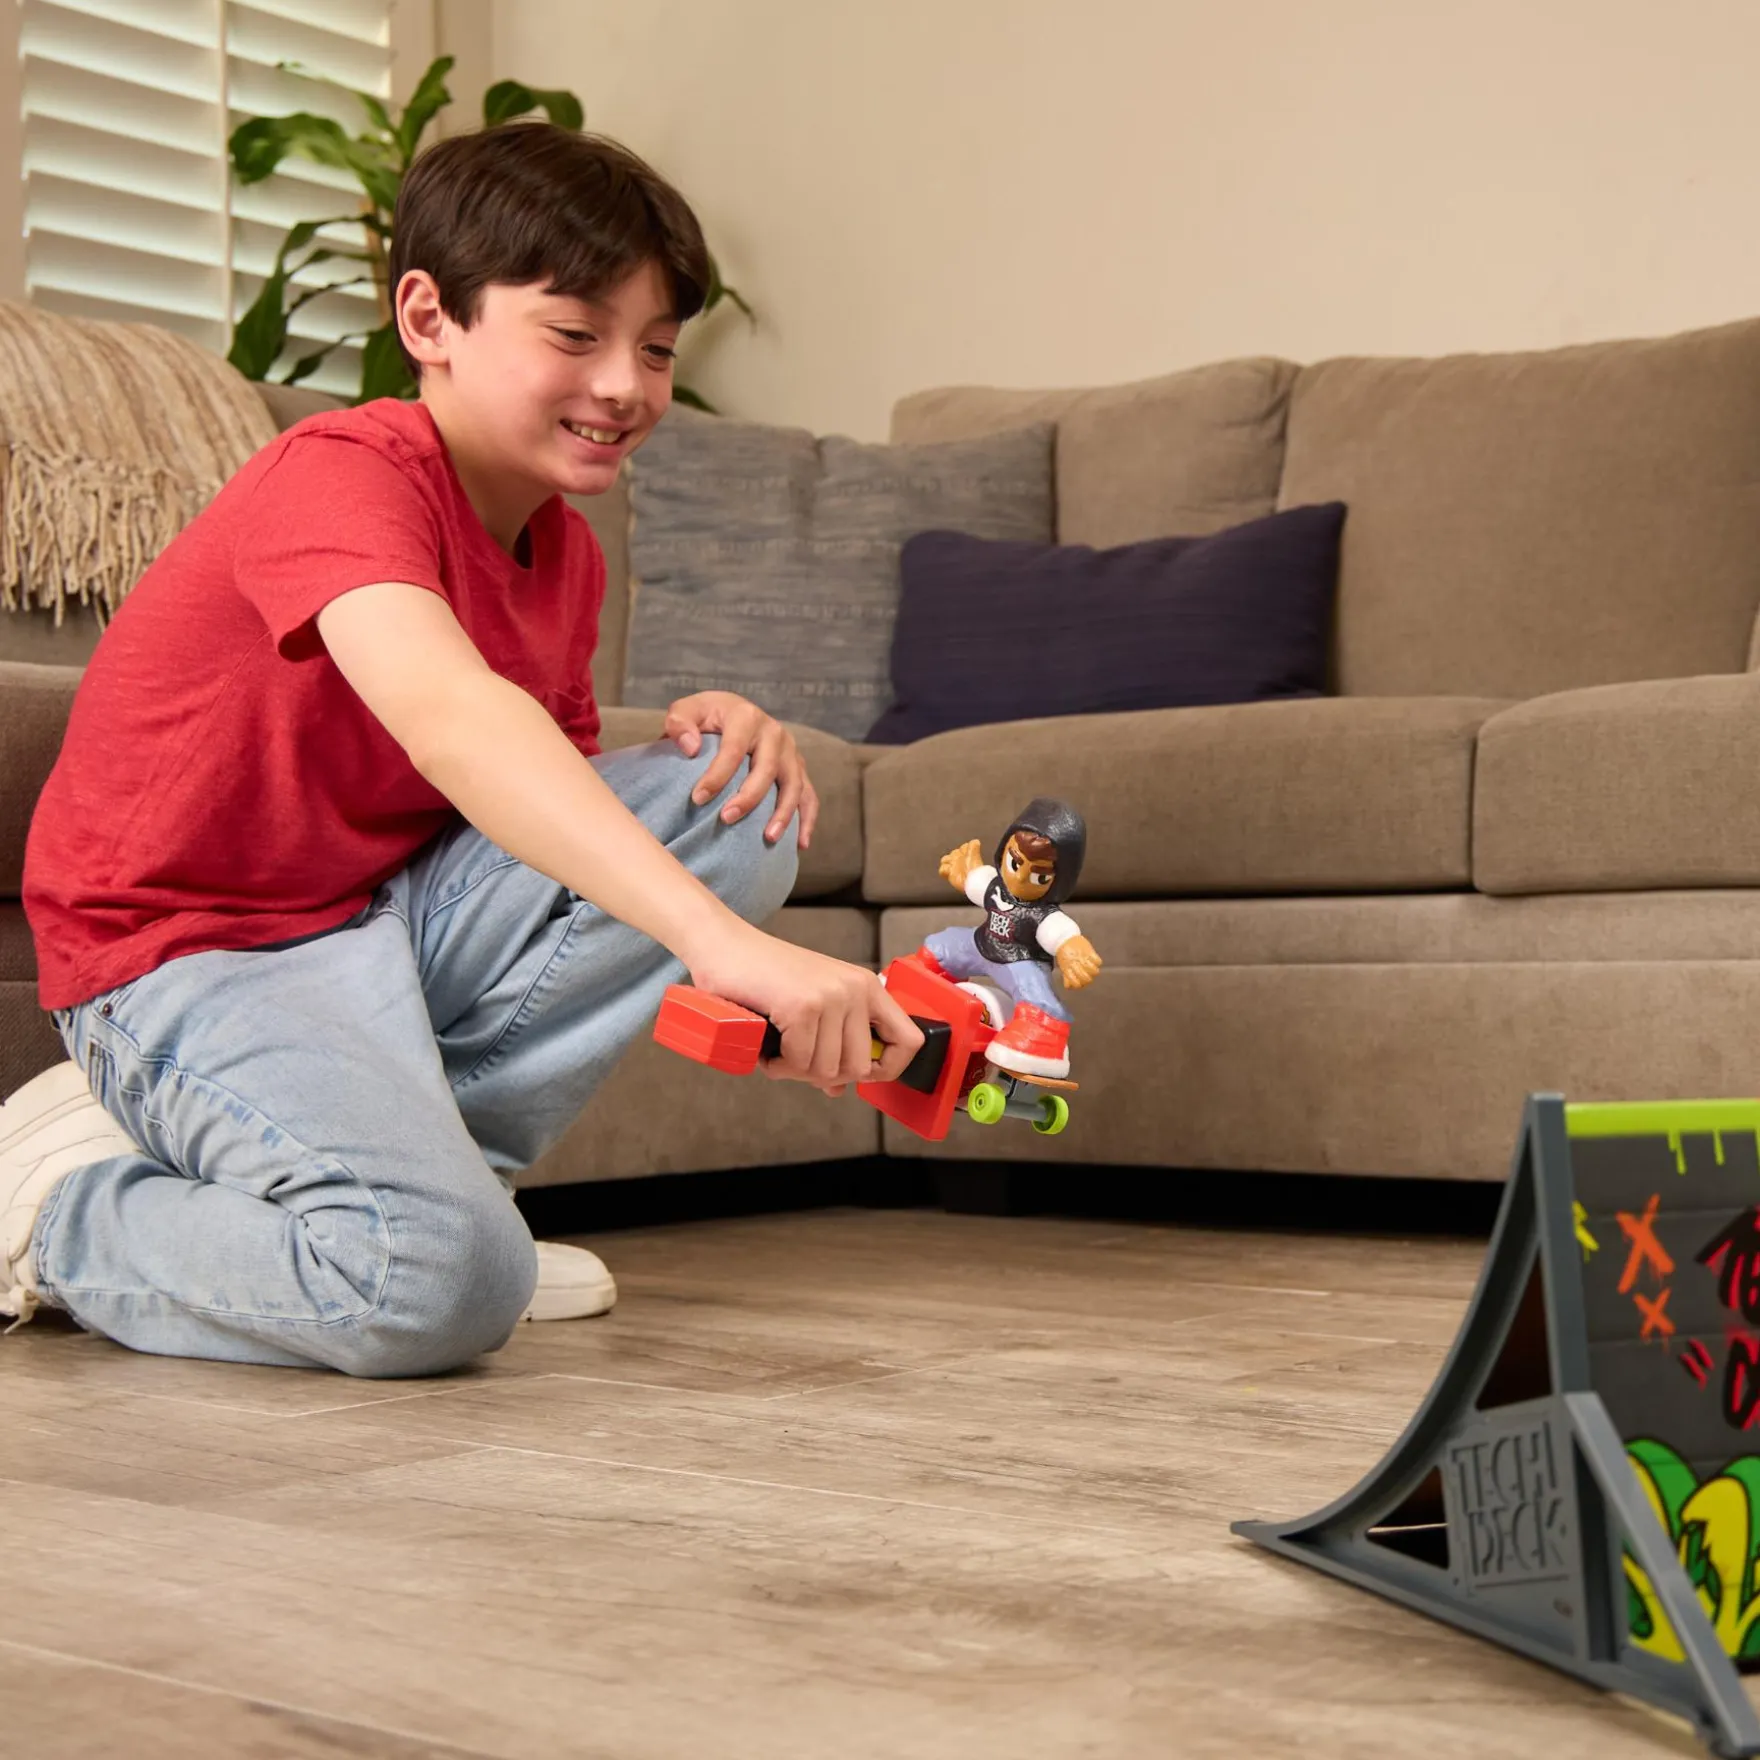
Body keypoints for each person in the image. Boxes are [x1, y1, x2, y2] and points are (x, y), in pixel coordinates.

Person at [0, 122, 922, 1375]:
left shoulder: (564, 552)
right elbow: (449, 715)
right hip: (187, 952)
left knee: (731, 798)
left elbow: (538, 819)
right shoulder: (338, 473)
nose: (626, 385)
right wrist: (724, 945)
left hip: (370, 919)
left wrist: (715, 743)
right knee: (436, 1287)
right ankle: (56, 1213)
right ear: (430, 318)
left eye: (656, 349)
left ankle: (441, 1195)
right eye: (575, 334)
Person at [916, 798, 1101, 1080]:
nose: (1022, 877)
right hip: (980, 944)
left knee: (1034, 992)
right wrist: (964, 872)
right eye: (1015, 863)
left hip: (1019, 961)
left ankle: (1045, 1033)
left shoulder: (1044, 915)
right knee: (940, 947)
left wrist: (1071, 947)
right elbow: (974, 880)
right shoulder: (994, 885)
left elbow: (1061, 933)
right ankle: (919, 981)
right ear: (1004, 851)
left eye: (1039, 876)